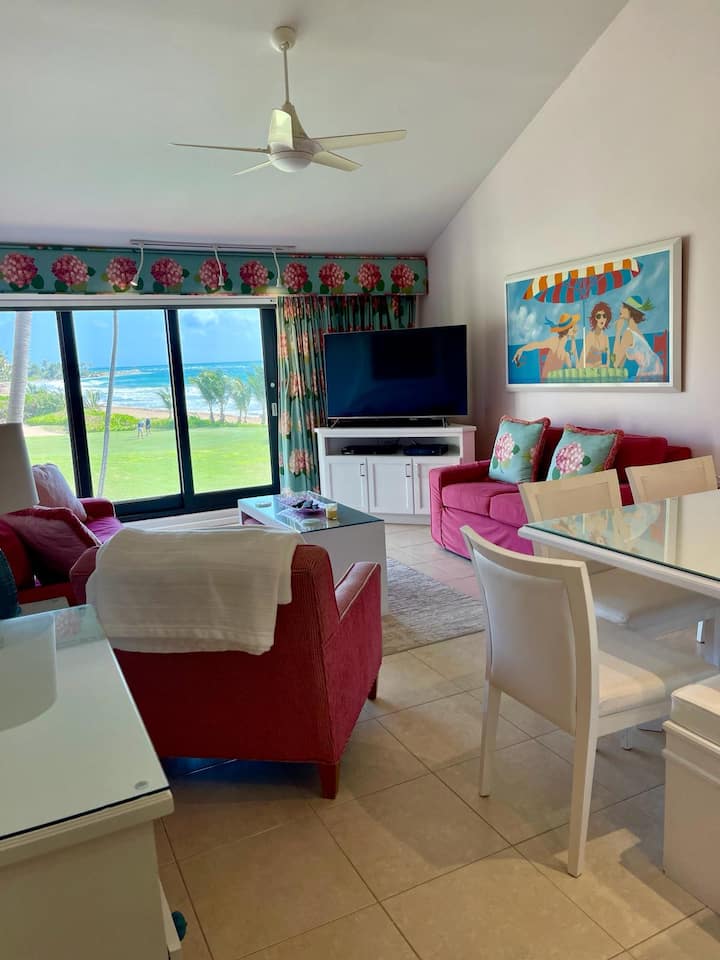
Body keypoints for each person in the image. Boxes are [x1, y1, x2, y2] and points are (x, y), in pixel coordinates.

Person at [512, 313, 579, 379]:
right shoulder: (554, 342)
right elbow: (536, 345)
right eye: (572, 326)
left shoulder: (565, 354)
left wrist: (573, 338)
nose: (575, 328)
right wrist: (521, 349)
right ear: (566, 330)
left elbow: (575, 367)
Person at [613, 295, 663, 378]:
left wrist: (617, 332)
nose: (620, 309)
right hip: (655, 370)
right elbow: (620, 363)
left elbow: (616, 364)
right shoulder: (637, 332)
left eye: (623, 307)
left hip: (649, 373)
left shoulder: (629, 334)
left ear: (631, 310)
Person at [582, 301, 612, 368]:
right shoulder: (590, 336)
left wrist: (603, 365)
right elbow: (583, 360)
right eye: (598, 316)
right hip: (590, 370)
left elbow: (607, 361)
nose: (602, 319)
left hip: (602, 370)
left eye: (604, 316)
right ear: (595, 318)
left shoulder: (605, 338)